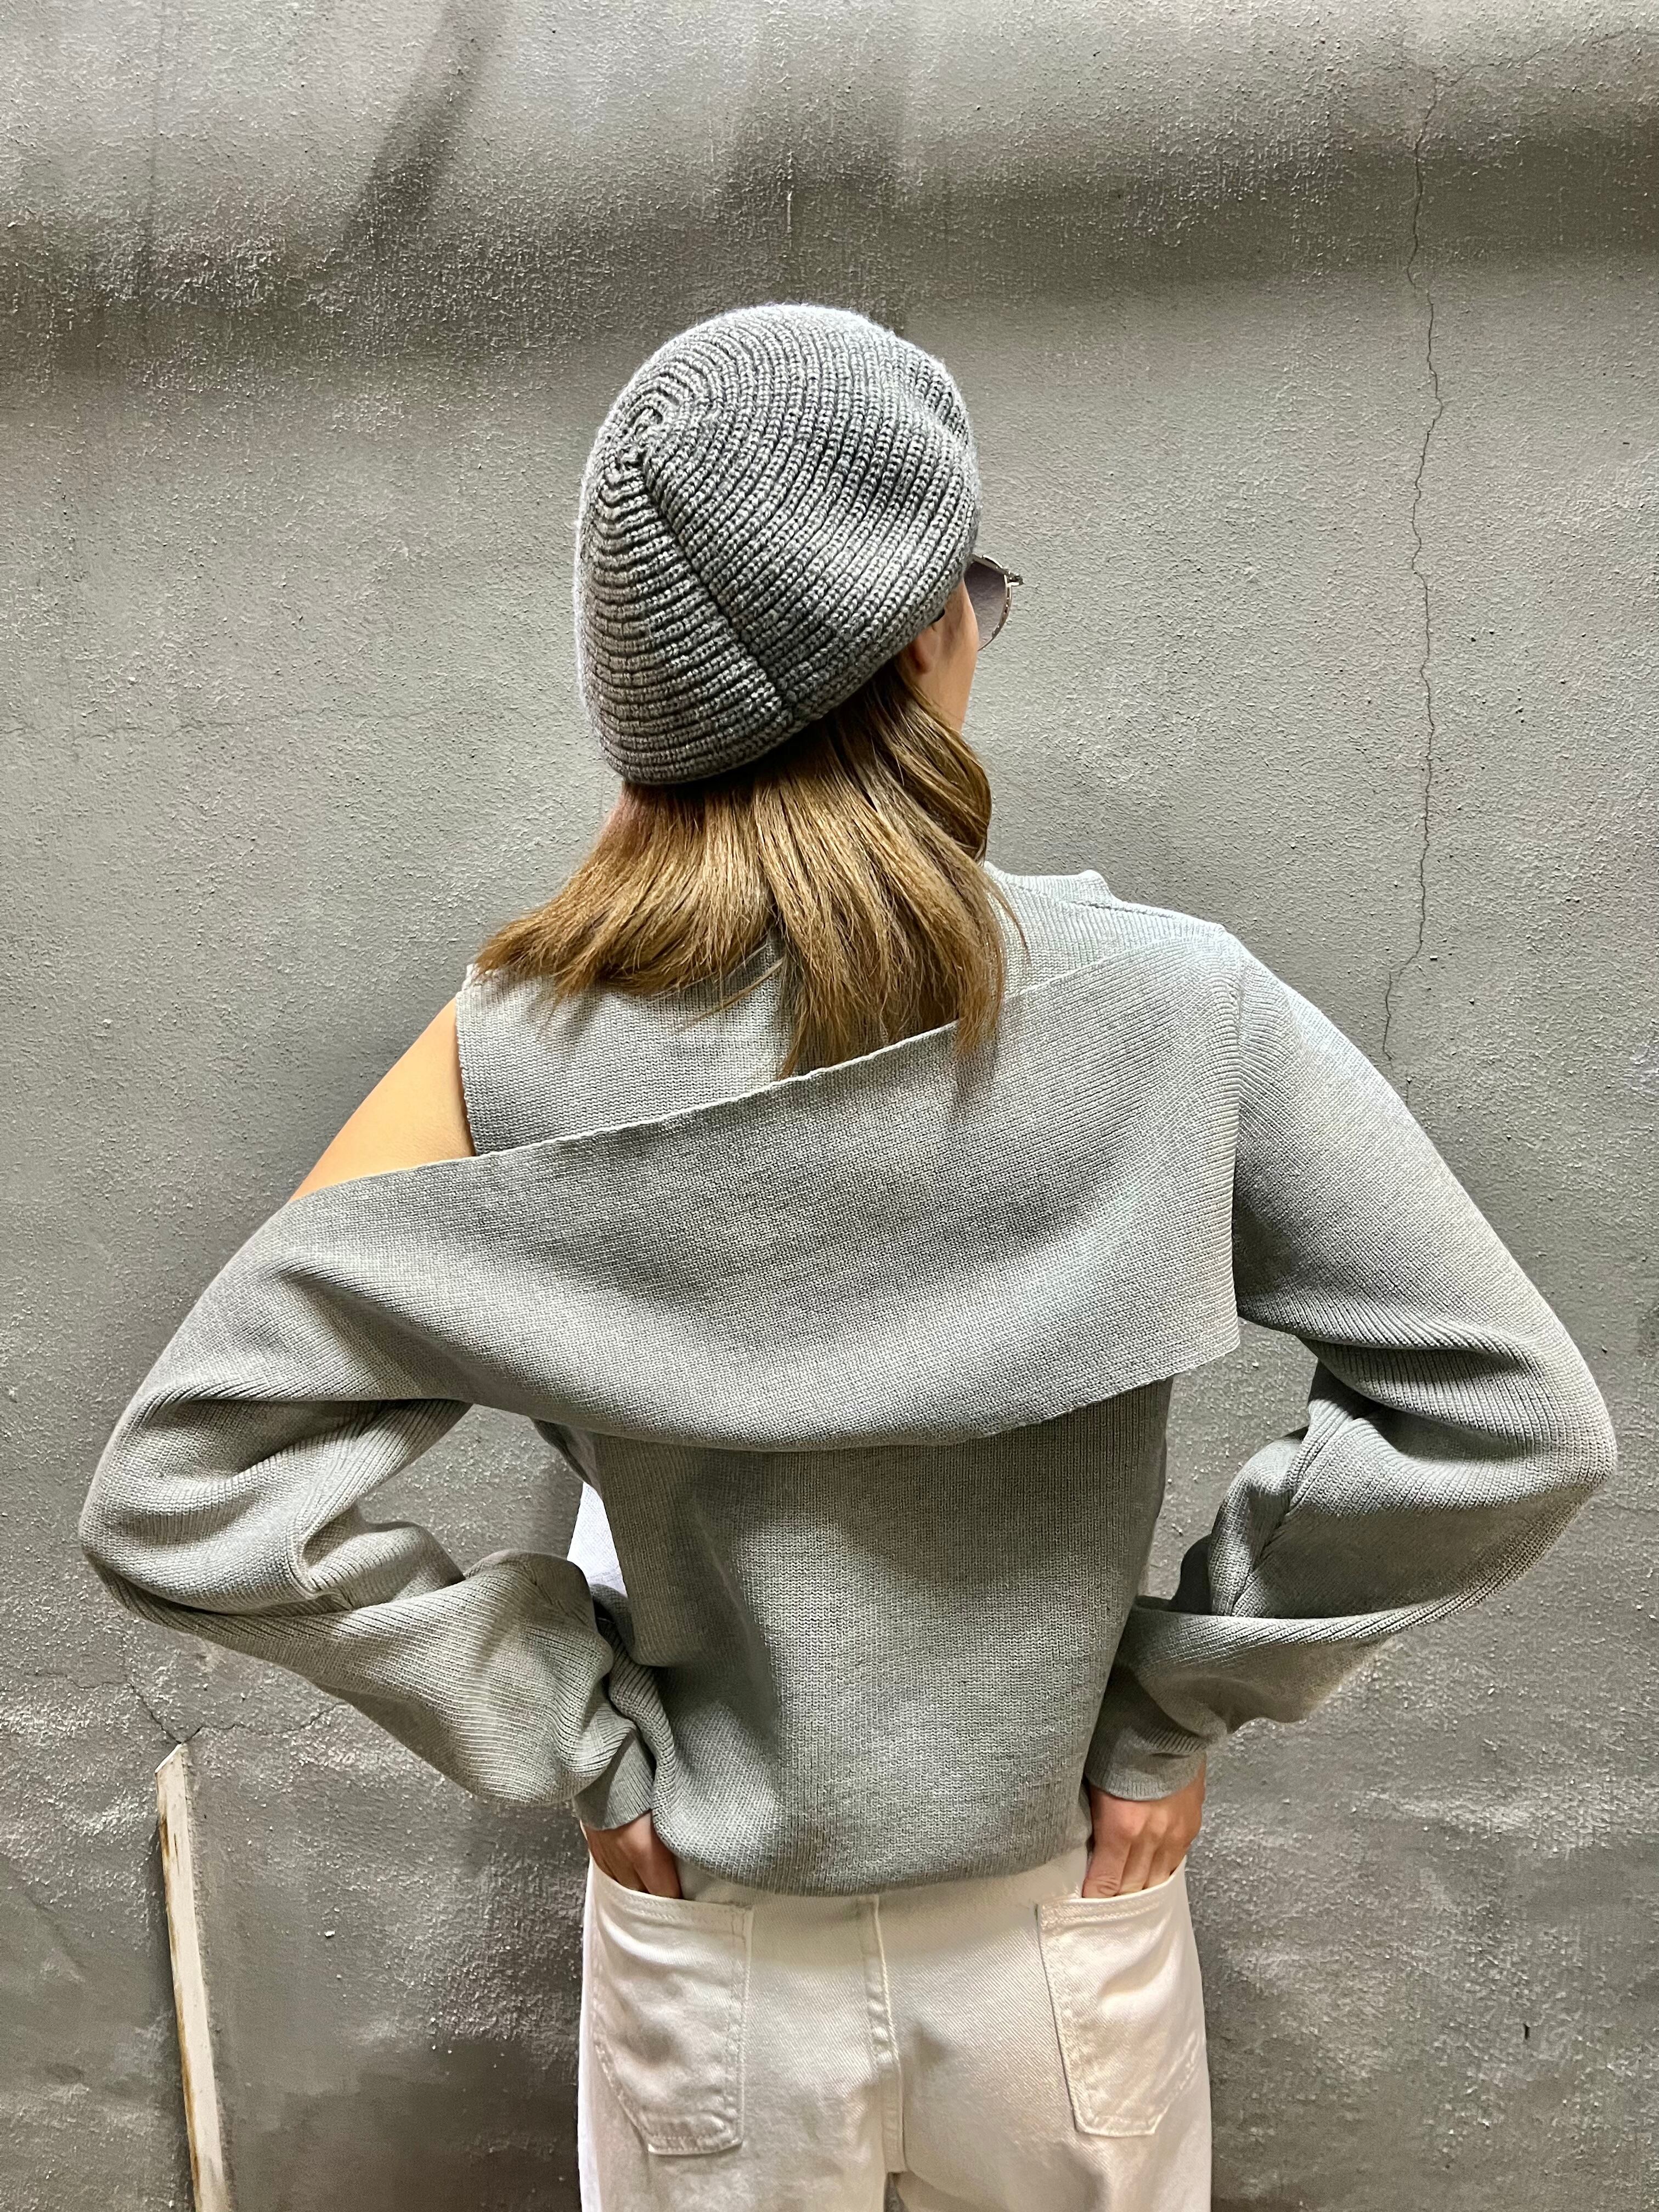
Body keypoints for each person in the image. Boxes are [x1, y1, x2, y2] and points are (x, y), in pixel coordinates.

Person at [80, 302, 1616, 2212]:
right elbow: (1512, 1419)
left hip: (715, 1936)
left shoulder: (512, 1049)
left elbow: (186, 1488)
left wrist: (577, 1735)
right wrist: (1176, 1703)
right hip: (1063, 1922)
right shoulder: (1173, 1009)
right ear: (920, 643)